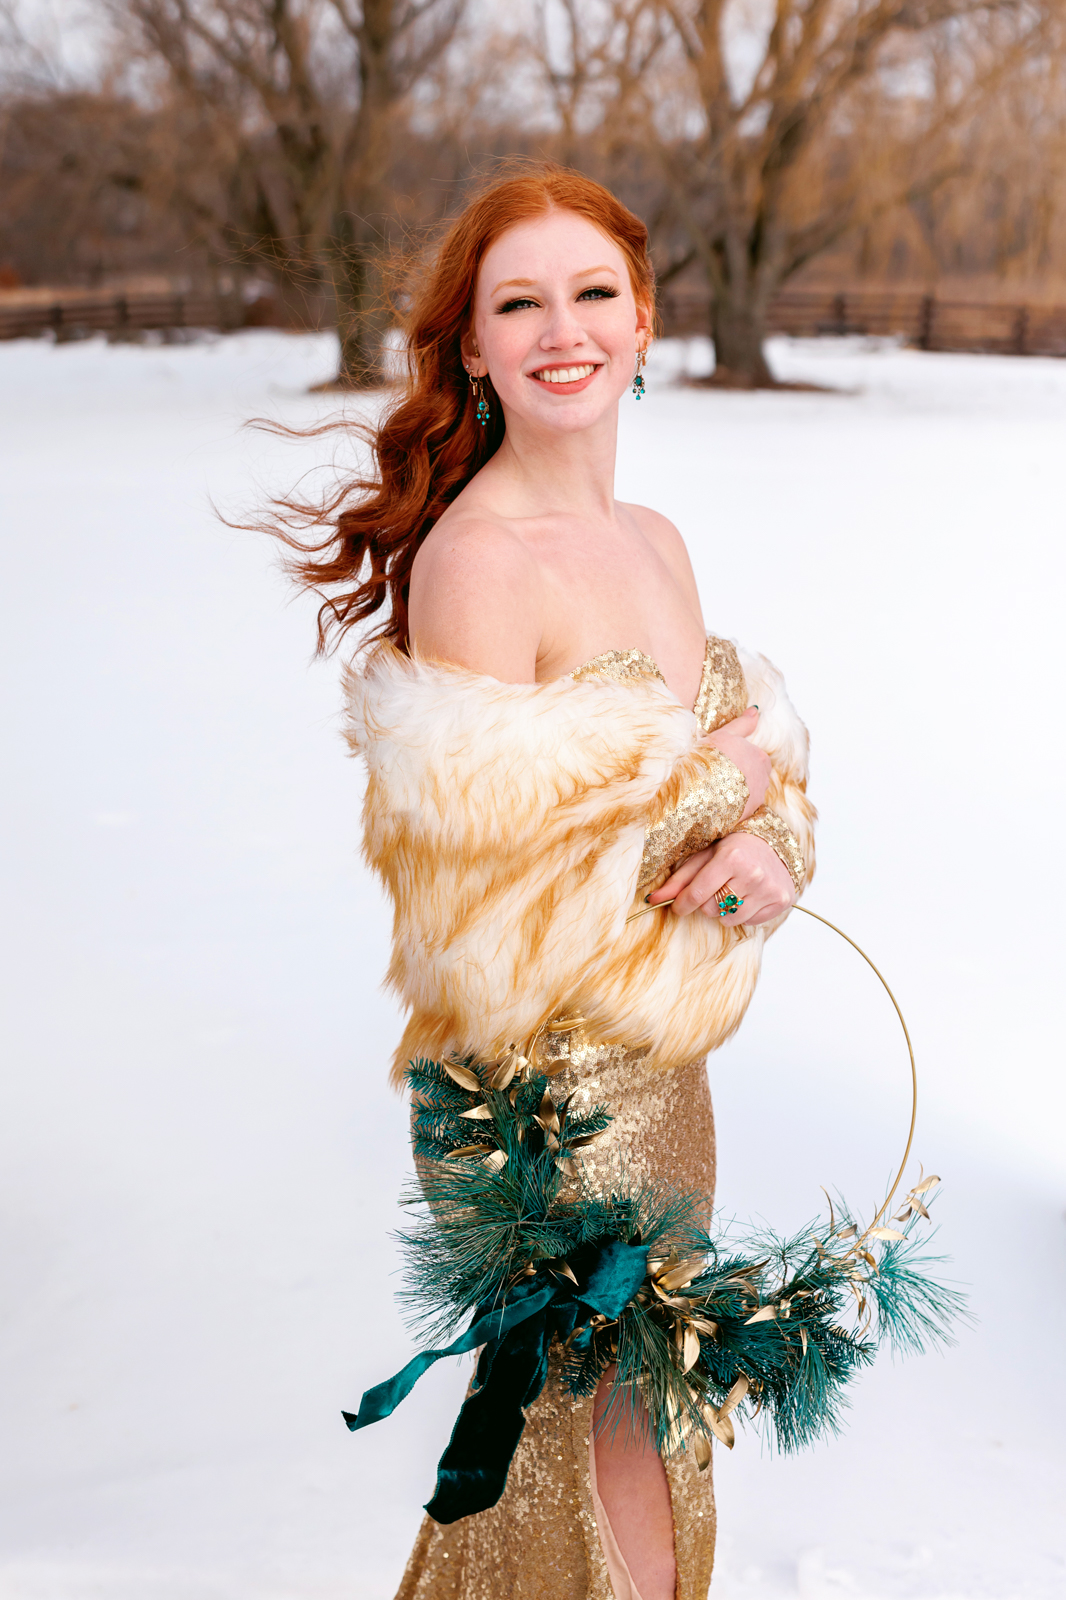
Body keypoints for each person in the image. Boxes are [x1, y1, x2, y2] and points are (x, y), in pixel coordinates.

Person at [277, 164, 814, 1600]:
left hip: (664, 1077)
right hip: (540, 1091)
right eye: (519, 303)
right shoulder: (480, 561)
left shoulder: (655, 541)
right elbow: (496, 903)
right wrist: (726, 787)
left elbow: (707, 821)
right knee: (578, 1440)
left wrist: (760, 847)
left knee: (646, 1425)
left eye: (592, 293)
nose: (561, 329)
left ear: (643, 323)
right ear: (472, 344)